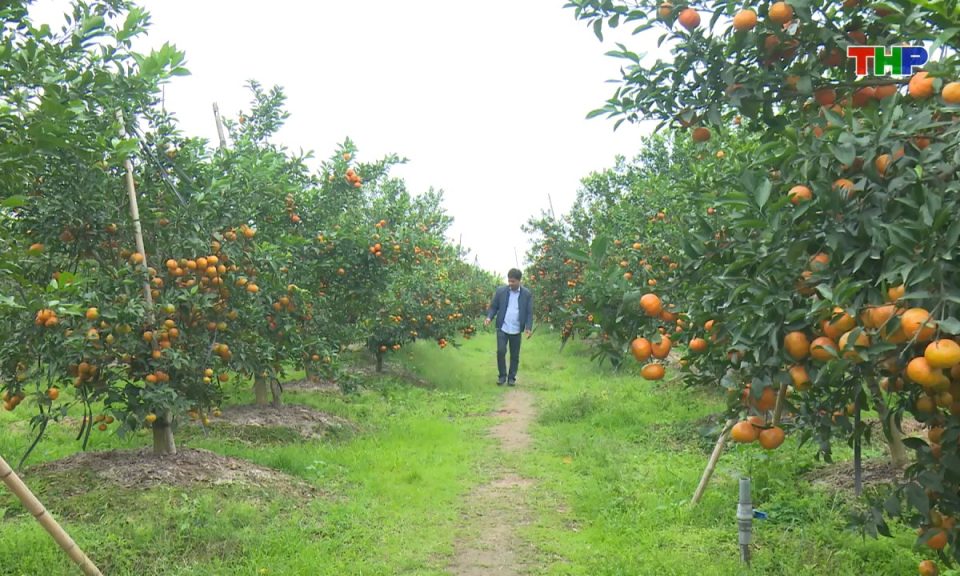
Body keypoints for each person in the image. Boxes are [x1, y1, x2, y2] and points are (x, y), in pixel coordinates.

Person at [484, 268, 533, 386]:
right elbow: (494, 307)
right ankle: (502, 376)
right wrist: (489, 317)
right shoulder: (501, 291)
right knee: (501, 351)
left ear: (519, 281)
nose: (510, 284)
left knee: (514, 355)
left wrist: (528, 327)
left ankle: (512, 377)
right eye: (509, 281)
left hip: (516, 328)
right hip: (503, 326)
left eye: (513, 281)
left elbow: (529, 312)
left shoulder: (526, 294)